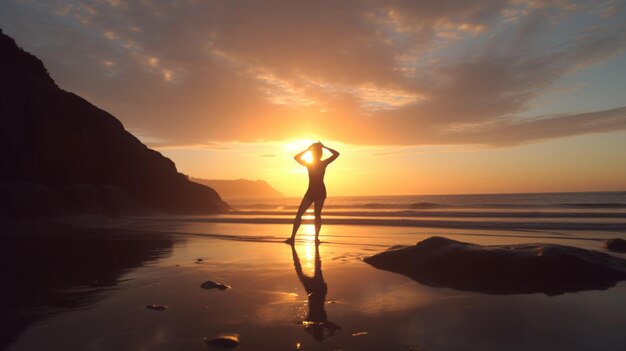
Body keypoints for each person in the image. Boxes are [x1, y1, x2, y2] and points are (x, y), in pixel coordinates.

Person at [285, 142, 339, 244]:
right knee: (303, 214)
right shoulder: (314, 164)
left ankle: (313, 238)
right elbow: (295, 157)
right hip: (312, 191)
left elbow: (337, 154)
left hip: (318, 191)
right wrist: (324, 147)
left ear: (316, 154)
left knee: (314, 215)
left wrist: (308, 149)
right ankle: (293, 238)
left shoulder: (319, 163)